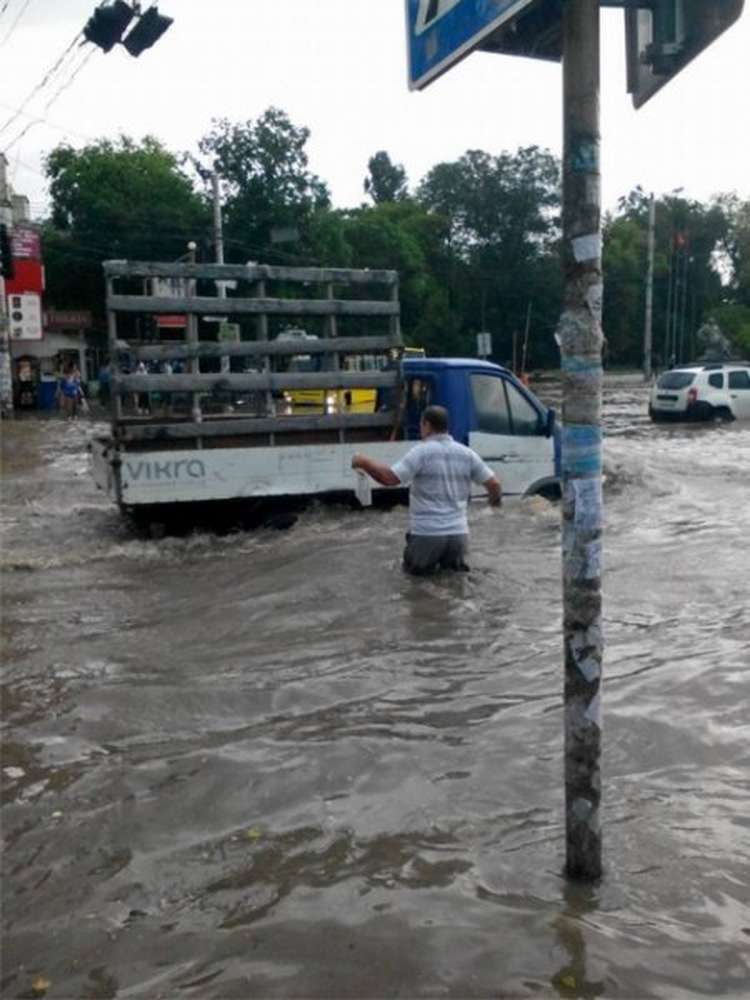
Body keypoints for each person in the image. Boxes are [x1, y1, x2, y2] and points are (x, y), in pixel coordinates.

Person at [352, 405, 502, 575]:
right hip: (458, 536)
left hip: (427, 535)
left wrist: (364, 462)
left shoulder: (421, 452)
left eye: (421, 424)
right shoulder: (467, 454)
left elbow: (390, 478)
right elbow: (494, 485)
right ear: (446, 426)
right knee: (454, 585)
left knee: (415, 587)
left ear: (427, 425)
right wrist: (494, 505)